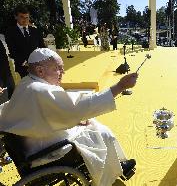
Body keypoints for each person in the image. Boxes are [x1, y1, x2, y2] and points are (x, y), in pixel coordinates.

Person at [0, 48, 138, 185]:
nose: (63, 72)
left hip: (38, 140)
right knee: (100, 132)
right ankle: (110, 173)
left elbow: (44, 115)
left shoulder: (26, 83)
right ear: (40, 71)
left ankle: (117, 166)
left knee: (91, 123)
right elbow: (77, 106)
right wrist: (120, 86)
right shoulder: (39, 90)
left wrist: (74, 119)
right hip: (47, 150)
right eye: (57, 68)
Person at [6, 5, 45, 78]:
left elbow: (42, 48)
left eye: (27, 17)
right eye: (22, 17)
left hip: (38, 66)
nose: (25, 20)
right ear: (16, 17)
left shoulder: (35, 31)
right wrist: (25, 63)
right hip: (21, 68)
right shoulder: (10, 32)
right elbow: (12, 51)